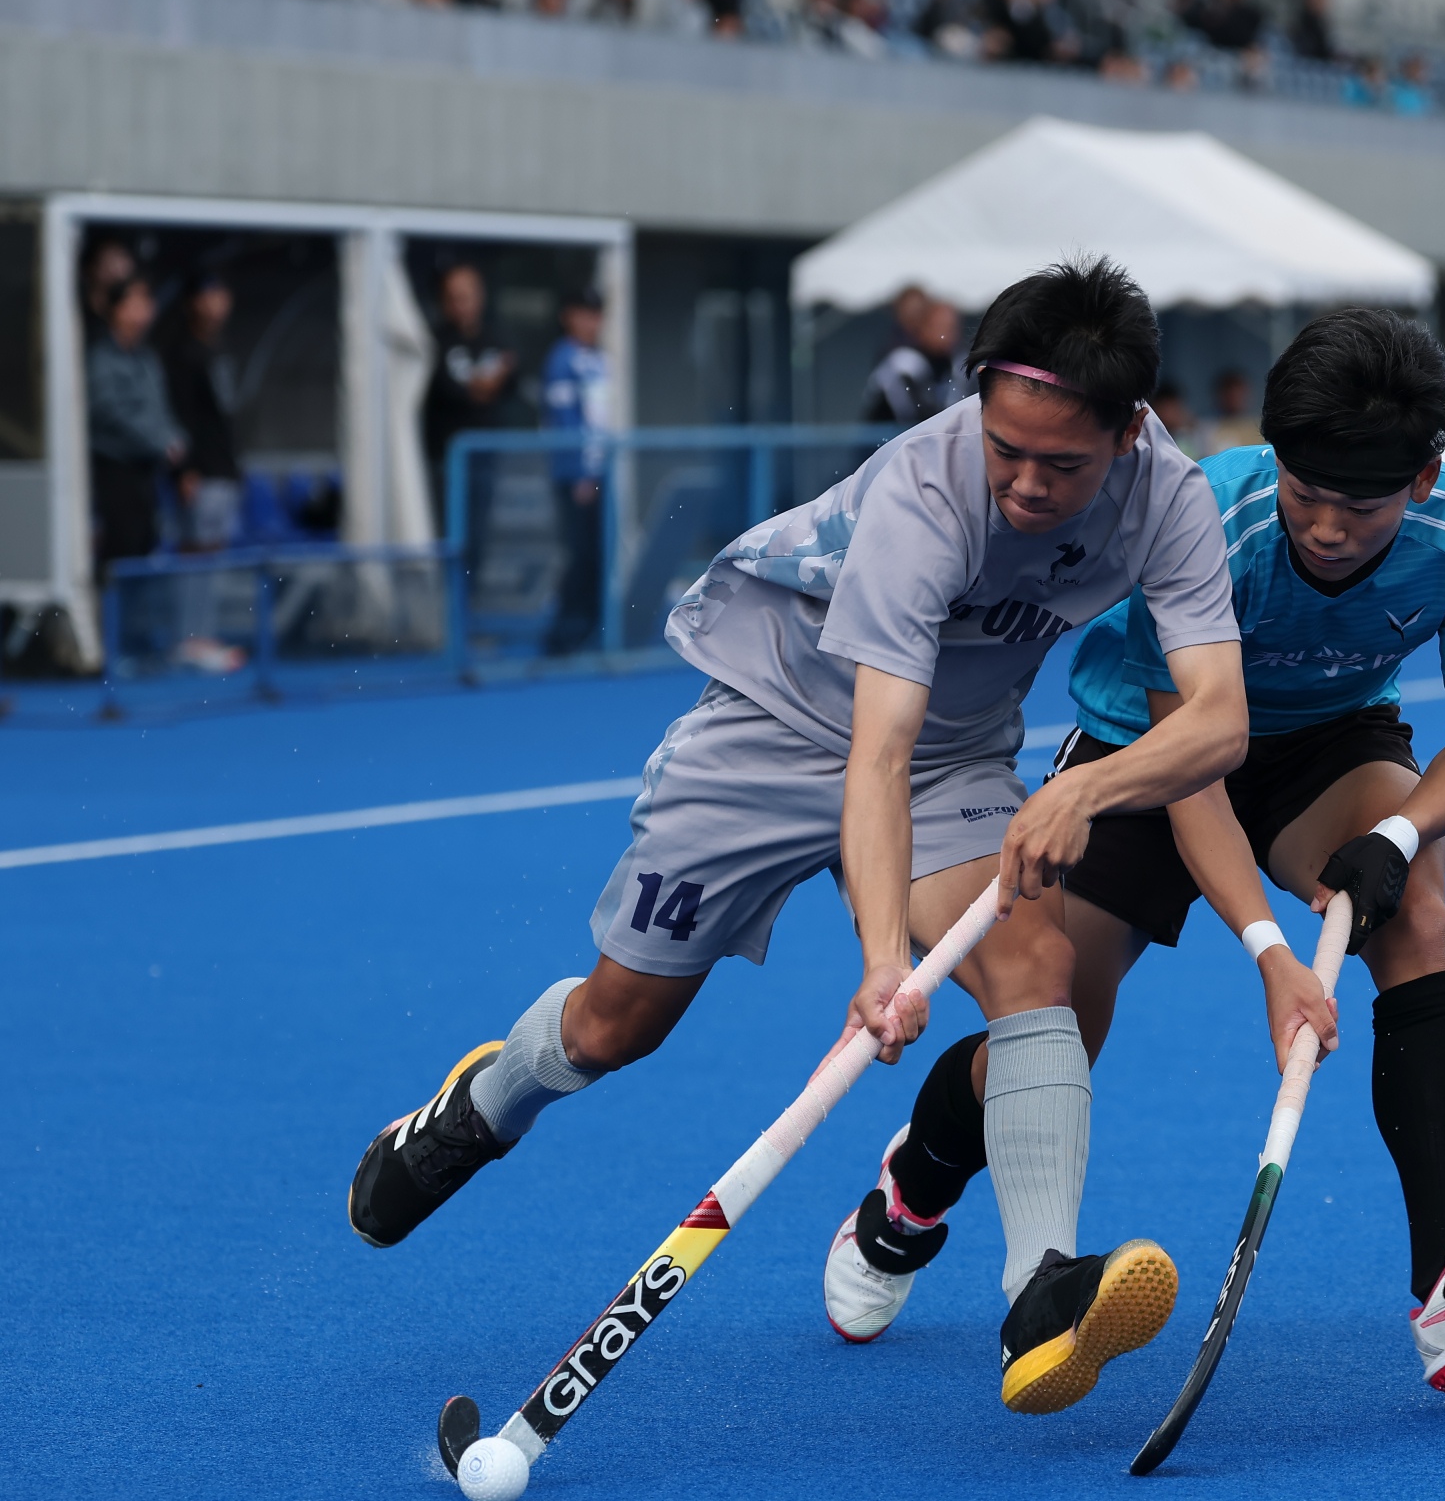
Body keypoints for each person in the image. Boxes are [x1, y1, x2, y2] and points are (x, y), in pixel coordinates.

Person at [347, 259, 1248, 1420]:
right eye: (1004, 448)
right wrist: (882, 960)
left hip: (952, 754)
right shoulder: (926, 493)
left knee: (1038, 961)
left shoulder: (1170, 498)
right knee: (616, 1025)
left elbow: (1219, 720)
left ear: (1129, 432)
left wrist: (1094, 787)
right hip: (776, 728)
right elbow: (873, 756)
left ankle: (1042, 1293)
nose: (1026, 483)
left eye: (1061, 464)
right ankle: (483, 1102)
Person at [823, 307, 1445, 1394]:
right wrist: (1271, 951)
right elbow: (1196, 769)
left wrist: (1399, 832)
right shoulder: (1212, 519)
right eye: (1306, 494)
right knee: (1057, 1019)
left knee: (1415, 910)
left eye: (1361, 507)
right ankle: (915, 1187)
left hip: (1330, 742)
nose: (1327, 529)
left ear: (1422, 480)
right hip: (1145, 757)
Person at [158, 275, 252, 672]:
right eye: (208, 296)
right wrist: (185, 470)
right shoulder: (182, 354)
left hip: (224, 469)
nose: (217, 304)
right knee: (194, 553)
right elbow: (180, 416)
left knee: (212, 556)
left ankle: (204, 636)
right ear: (192, 303)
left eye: (221, 294)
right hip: (199, 472)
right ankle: (188, 639)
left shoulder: (220, 351)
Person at [87, 276, 183, 576]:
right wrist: (158, 441)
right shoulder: (101, 358)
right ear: (116, 309)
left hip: (147, 473)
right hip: (115, 472)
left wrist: (174, 439)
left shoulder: (147, 358)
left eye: (147, 301)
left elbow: (160, 408)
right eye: (135, 302)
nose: (144, 309)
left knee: (146, 548)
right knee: (122, 554)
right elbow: (110, 411)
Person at [420, 263, 515, 543]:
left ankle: (471, 574)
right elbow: (447, 389)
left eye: (466, 296)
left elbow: (511, 380)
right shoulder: (435, 340)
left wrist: (484, 385)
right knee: (448, 532)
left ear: (480, 296)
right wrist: (485, 384)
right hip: (445, 456)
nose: (461, 304)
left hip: (485, 454)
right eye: (453, 297)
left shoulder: (495, 337)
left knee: (479, 532)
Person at [541, 287, 611, 656]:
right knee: (579, 552)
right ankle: (563, 633)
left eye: (595, 314)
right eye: (583, 314)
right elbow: (565, 420)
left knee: (596, 553)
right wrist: (580, 472)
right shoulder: (562, 359)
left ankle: (589, 627)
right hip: (577, 475)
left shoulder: (598, 359)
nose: (591, 322)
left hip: (599, 471)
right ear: (568, 317)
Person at [861, 288, 964, 427]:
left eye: (952, 327)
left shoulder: (955, 363)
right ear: (922, 328)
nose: (947, 334)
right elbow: (914, 415)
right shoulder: (904, 362)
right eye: (940, 326)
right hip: (883, 436)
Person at [1198, 367, 1262, 457]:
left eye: (1239, 394)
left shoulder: (1258, 428)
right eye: (1230, 395)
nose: (1235, 399)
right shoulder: (1207, 429)